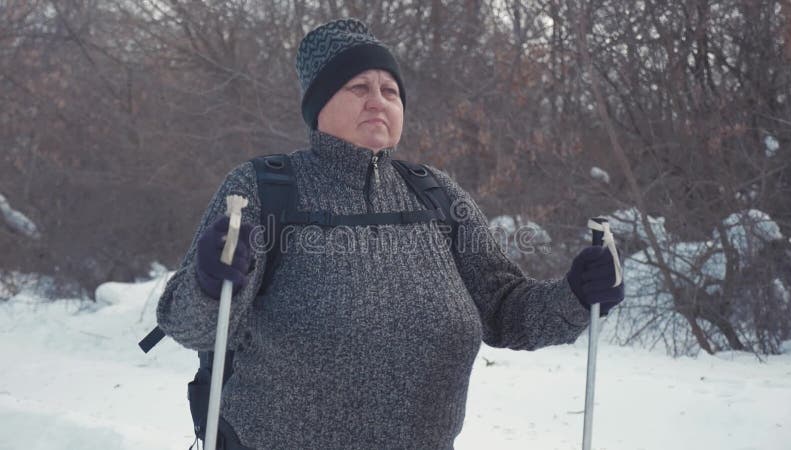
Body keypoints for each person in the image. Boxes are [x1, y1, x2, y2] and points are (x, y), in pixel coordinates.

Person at [157, 18, 624, 449]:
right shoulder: (263, 189)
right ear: (319, 106)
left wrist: (576, 297)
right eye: (358, 87)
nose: (378, 100)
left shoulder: (437, 194)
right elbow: (193, 325)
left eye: (391, 90)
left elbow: (505, 309)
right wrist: (207, 283)